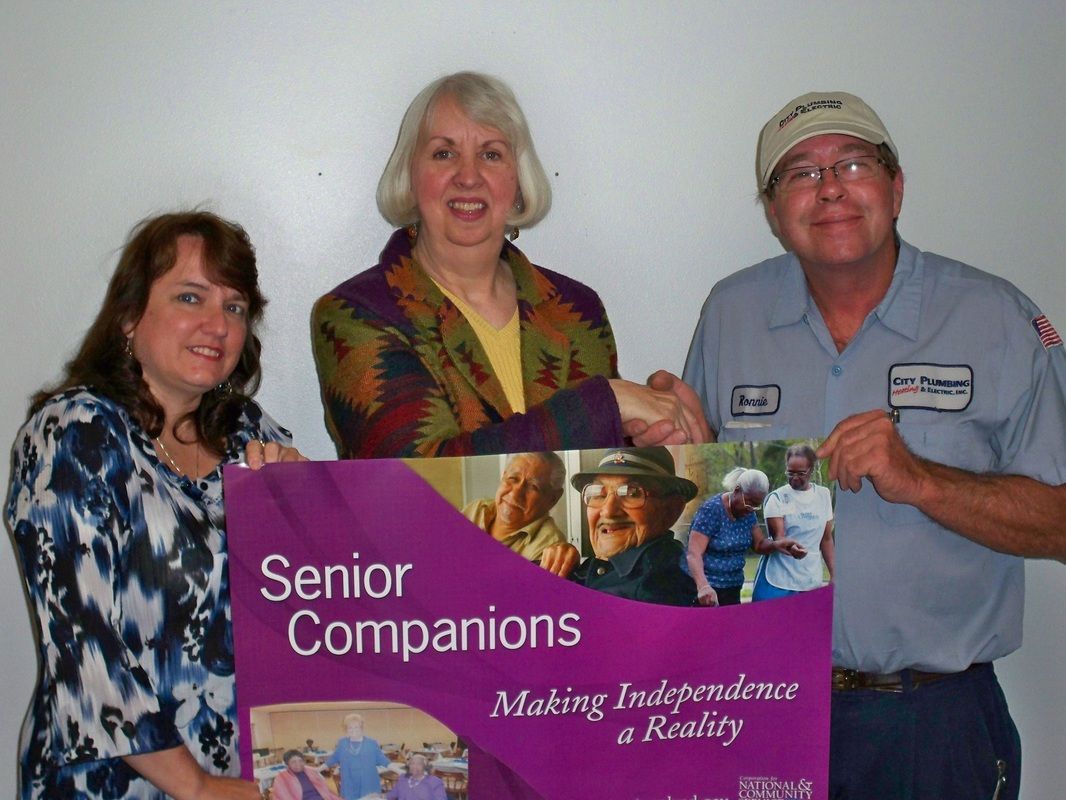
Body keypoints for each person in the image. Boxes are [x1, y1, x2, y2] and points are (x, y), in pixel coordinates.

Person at [682, 91, 1066, 799]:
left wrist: (920, 479)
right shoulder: (729, 314)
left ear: (896, 186)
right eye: (799, 173)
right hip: (763, 710)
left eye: (852, 163)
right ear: (773, 210)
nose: (829, 187)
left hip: (933, 724)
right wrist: (668, 446)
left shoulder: (997, 317)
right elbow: (710, 499)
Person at [6, 212, 306, 800]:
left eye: (235, 307)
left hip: (242, 778)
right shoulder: (74, 434)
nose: (216, 324)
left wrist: (306, 511)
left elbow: (315, 606)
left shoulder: (252, 433)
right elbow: (84, 648)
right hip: (111, 783)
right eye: (190, 296)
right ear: (128, 316)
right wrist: (196, 787)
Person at [312, 71, 707, 458]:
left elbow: (597, 477)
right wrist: (608, 404)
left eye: (491, 154)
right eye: (444, 153)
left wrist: (656, 443)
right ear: (410, 176)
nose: (468, 177)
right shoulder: (356, 316)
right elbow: (423, 481)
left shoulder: (577, 310)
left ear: (517, 181)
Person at [568, 447, 697, 606]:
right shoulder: (626, 565)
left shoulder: (654, 587)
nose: (608, 511)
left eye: (632, 493)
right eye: (598, 493)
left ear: (672, 509)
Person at [683, 467, 802, 606]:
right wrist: (703, 586)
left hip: (732, 588)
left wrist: (777, 544)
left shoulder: (748, 513)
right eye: (749, 502)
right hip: (706, 589)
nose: (751, 508)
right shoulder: (711, 510)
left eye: (756, 505)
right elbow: (694, 553)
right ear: (737, 490)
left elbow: (759, 545)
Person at [461, 451, 578, 575]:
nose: (515, 493)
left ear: (553, 498)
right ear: (503, 476)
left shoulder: (547, 548)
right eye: (513, 478)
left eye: (533, 486)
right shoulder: (477, 509)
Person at [752, 444, 834, 601]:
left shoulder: (823, 495)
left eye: (801, 473)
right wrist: (790, 547)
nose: (795, 477)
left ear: (811, 470)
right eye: (790, 473)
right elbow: (778, 538)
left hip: (810, 579)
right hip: (778, 579)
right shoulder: (777, 498)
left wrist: (834, 573)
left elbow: (826, 538)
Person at [324, 714, 390, 799]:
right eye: (350, 727)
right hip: (349, 784)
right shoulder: (342, 743)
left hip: (368, 784)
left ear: (361, 728)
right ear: (346, 729)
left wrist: (398, 769)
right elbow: (333, 758)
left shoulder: (371, 743)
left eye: (356, 727)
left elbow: (383, 760)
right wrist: (318, 769)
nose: (353, 730)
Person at [271, 750, 342, 800]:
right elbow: (283, 797)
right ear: (287, 764)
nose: (298, 764)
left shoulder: (311, 772)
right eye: (293, 762)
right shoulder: (282, 778)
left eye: (300, 760)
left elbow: (325, 790)